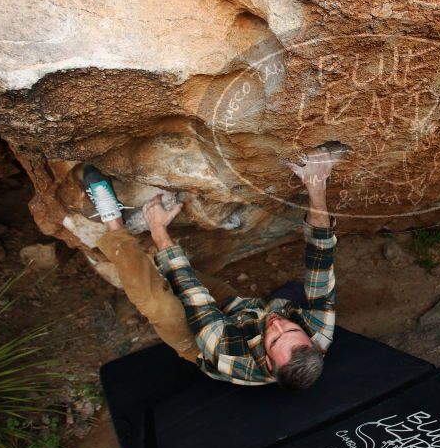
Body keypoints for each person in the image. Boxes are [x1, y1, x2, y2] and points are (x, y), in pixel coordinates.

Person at [83, 145, 341, 389]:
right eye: (292, 328)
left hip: (200, 341)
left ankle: (112, 221)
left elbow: (198, 304)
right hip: (237, 310)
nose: (277, 324)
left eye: (274, 339)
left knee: (161, 306)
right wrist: (315, 185)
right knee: (170, 274)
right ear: (313, 342)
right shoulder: (318, 331)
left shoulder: (234, 359)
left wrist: (159, 230)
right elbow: (320, 255)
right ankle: (147, 260)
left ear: (270, 362)